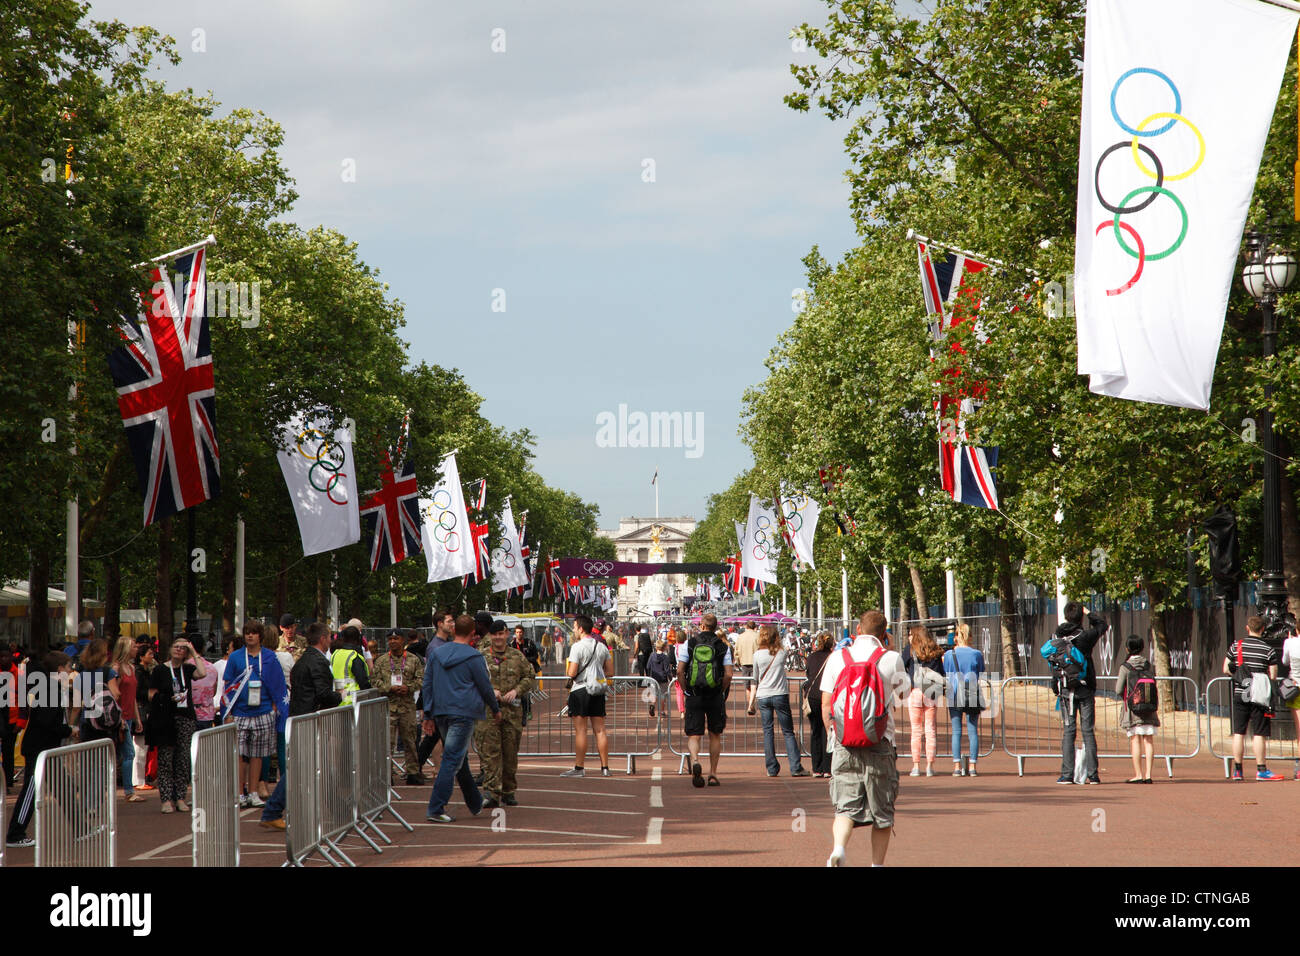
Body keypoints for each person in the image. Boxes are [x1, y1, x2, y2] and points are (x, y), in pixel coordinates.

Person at [820, 610, 910, 868]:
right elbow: (904, 694)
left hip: (844, 741)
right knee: (882, 812)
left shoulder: (838, 658)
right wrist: (892, 650)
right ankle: (876, 865)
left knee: (845, 807)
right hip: (880, 741)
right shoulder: (891, 658)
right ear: (885, 633)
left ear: (857, 630)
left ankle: (838, 848)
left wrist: (832, 733)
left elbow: (826, 703)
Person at [260, 622, 343, 829]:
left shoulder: (304, 660)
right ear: (323, 638)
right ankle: (273, 810)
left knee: (316, 765)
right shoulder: (317, 662)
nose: (330, 640)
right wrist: (339, 696)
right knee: (301, 767)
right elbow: (323, 693)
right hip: (309, 720)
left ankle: (338, 808)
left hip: (302, 718)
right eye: (329, 637)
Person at [421, 614, 500, 822]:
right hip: (463, 712)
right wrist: (495, 708)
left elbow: (427, 683)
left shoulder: (437, 654)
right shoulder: (474, 657)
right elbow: (485, 685)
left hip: (441, 711)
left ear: (454, 630)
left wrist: (427, 713)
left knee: (458, 757)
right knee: (452, 759)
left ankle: (474, 801)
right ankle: (436, 808)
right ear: (473, 633)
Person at [5, 652, 75, 848]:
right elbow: (45, 721)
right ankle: (15, 833)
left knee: (63, 788)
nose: (70, 672)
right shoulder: (50, 689)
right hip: (39, 747)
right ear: (60, 669)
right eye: (68, 667)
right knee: (30, 790)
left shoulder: (52, 688)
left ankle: (81, 828)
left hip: (47, 747)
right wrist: (69, 730)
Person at [222, 620, 288, 808]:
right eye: (247, 632)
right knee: (240, 754)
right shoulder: (235, 657)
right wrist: (228, 712)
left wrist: (275, 708)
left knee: (258, 754)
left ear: (260, 636)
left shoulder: (269, 657)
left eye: (253, 633)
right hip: (240, 713)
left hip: (263, 710)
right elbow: (228, 684)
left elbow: (278, 684)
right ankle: (239, 792)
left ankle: (253, 792)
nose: (250, 636)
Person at [477, 620, 535, 808]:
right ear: (491, 636)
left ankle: (508, 791)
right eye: (494, 635)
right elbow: (472, 679)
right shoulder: (481, 657)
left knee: (510, 753)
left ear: (507, 634)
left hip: (512, 712)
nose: (498, 638)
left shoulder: (517, 656)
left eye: (501, 634)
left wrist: (517, 690)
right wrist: (489, 690)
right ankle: (492, 792)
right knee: (490, 752)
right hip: (488, 712)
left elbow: (529, 677)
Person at [146, 636, 207, 813]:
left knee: (183, 760)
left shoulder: (187, 669)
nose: (179, 650)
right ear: (170, 648)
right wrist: (166, 698)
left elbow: (202, 673)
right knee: (165, 759)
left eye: (183, 648)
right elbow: (151, 694)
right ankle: (166, 799)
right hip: (166, 718)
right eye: (176, 646)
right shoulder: (159, 670)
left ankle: (180, 797)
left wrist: (194, 652)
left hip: (185, 717)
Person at [1050, 602, 1108, 785]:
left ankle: (1067, 774)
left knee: (1069, 731)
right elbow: (1102, 625)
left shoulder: (1056, 636)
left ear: (1066, 616)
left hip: (1066, 688)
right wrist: (1089, 612)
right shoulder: (1085, 637)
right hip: (1085, 687)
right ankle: (1093, 774)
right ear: (1080, 617)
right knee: (1088, 731)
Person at [1224, 614, 1284, 781]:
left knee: (1239, 732)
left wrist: (1238, 675)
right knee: (1259, 732)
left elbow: (1225, 668)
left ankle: (1237, 770)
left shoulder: (1237, 646)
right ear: (1263, 629)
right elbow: (1273, 674)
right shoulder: (1268, 649)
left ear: (1247, 628)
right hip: (1259, 694)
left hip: (1241, 691)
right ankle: (1261, 769)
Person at [677, 612, 732, 788]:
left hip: (694, 694)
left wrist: (686, 690)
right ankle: (713, 773)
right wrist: (721, 691)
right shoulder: (723, 646)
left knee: (694, 734)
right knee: (715, 734)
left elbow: (679, 671)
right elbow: (729, 674)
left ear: (701, 626)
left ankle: (694, 761)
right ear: (716, 627)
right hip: (715, 695)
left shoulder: (690, 643)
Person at [750, 624, 809, 777]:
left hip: (763, 695)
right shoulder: (781, 653)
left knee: (767, 732)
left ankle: (771, 768)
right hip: (780, 693)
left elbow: (755, 678)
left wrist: (751, 701)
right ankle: (795, 766)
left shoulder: (757, 655)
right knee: (788, 732)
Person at [561, 615, 614, 778]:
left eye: (575, 627)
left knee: (581, 730)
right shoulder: (602, 646)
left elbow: (572, 672)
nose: (574, 630)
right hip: (597, 690)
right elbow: (610, 672)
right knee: (600, 730)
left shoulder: (577, 647)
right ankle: (605, 767)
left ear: (581, 629)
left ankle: (579, 768)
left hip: (580, 690)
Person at [373, 630, 426, 785]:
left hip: (407, 706)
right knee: (387, 743)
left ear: (403, 640)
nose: (393, 642)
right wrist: (389, 687)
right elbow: (374, 681)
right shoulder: (382, 660)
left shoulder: (413, 659)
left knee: (410, 741)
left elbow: (421, 679)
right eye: (390, 639)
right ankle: (386, 775)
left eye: (396, 638)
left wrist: (408, 687)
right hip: (388, 706)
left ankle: (413, 772)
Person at [942, 623, 985, 778]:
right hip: (971, 690)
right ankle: (972, 766)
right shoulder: (976, 654)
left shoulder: (949, 654)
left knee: (956, 731)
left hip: (954, 692)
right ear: (970, 636)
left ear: (956, 637)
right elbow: (980, 671)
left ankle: (957, 766)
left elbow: (946, 670)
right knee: (973, 730)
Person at [1115, 633, 1160, 783]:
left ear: (1128, 648)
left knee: (1135, 740)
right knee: (1149, 740)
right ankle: (1148, 775)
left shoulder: (1125, 667)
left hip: (1133, 709)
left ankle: (1138, 774)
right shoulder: (1148, 665)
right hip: (1149, 707)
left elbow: (1118, 689)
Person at [901, 626, 945, 777]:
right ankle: (930, 766)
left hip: (915, 691)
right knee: (930, 729)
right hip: (931, 691)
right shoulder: (936, 650)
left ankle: (915, 765)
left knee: (916, 730)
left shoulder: (909, 650)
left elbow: (901, 666)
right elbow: (941, 672)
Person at [110, 637, 144, 803]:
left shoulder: (131, 667)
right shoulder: (117, 669)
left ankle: (124, 789)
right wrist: (121, 717)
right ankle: (128, 790)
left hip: (129, 715)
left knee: (122, 753)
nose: (136, 649)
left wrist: (137, 718)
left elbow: (133, 697)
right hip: (120, 718)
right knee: (128, 753)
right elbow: (114, 694)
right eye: (133, 646)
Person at [802, 632, 835, 777]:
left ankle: (816, 768)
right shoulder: (834, 657)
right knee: (828, 731)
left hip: (813, 696)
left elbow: (809, 674)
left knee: (815, 731)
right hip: (827, 695)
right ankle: (828, 767)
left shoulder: (811, 657)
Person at [0, 646, 25, 794]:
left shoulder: (19, 675)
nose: (4, 659)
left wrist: (21, 721)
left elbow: (23, 701)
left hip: (12, 719)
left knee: (8, 753)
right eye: (1, 657)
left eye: (6, 656)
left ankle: (8, 782)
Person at [132, 642, 156, 791]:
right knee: (140, 747)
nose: (152, 656)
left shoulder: (145, 671)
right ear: (142, 657)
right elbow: (138, 693)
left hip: (145, 709)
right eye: (150, 654)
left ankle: (140, 778)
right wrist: (149, 694)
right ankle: (138, 779)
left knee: (142, 747)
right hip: (141, 710)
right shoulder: (140, 673)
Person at [331, 624, 371, 705]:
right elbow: (363, 682)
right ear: (358, 640)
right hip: (352, 701)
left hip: (336, 700)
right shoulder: (355, 656)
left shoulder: (335, 653)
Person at [1283, 617, 1300, 780]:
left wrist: (1289, 642)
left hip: (1296, 686)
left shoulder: (1290, 643)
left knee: (1299, 728)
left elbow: (1284, 661)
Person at [645, 638, 675, 720]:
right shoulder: (665, 657)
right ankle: (662, 711)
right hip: (663, 678)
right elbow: (667, 670)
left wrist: (648, 676)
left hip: (653, 677)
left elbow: (648, 666)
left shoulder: (652, 655)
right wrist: (671, 679)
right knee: (663, 695)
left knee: (654, 694)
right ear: (664, 647)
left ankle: (653, 705)